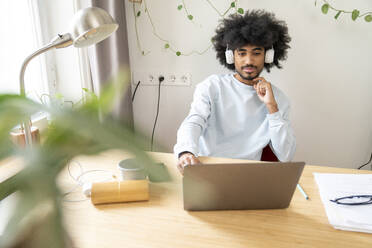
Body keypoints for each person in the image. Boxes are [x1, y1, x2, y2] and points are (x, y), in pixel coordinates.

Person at [174, 10, 296, 174]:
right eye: (242, 53)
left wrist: (272, 107)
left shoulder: (278, 99)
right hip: (207, 169)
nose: (249, 61)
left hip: (248, 176)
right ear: (231, 56)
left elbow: (286, 155)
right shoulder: (212, 87)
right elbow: (194, 121)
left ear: (268, 56)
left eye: (256, 53)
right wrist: (186, 152)